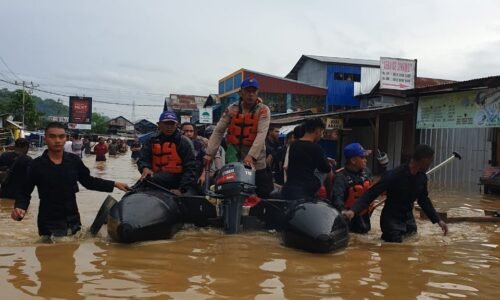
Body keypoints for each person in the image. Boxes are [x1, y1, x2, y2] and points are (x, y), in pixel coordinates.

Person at [10, 122, 129, 237]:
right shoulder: (35, 165)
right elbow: (24, 192)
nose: (57, 140)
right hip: (48, 223)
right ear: (45, 138)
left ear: (66, 138)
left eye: (61, 137)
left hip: (73, 220)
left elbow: (88, 181)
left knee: (72, 251)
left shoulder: (74, 161)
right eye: (52, 137)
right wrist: (20, 207)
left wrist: (114, 184)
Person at [343, 144, 449, 243]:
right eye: (430, 160)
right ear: (423, 160)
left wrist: (438, 220)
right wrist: (353, 210)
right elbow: (371, 193)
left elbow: (423, 200)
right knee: (392, 250)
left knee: (410, 247)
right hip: (391, 221)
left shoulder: (421, 178)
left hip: (409, 221)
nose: (431, 163)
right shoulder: (394, 175)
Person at [204, 78, 273, 198]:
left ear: (257, 93)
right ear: (241, 93)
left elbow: (262, 134)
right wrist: (210, 153)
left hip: (256, 160)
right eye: (247, 91)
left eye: (253, 91)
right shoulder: (231, 109)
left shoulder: (263, 110)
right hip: (234, 156)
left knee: (264, 193)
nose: (250, 94)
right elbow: (219, 131)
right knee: (229, 190)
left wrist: (251, 156)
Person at [137, 111, 198, 194]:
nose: (169, 127)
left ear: (176, 125)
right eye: (166, 124)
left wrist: (181, 189)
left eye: (172, 124)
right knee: (138, 185)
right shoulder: (151, 140)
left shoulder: (184, 142)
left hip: (178, 179)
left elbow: (190, 167)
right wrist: (145, 168)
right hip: (155, 178)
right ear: (159, 124)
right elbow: (143, 159)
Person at [281, 118, 334, 200]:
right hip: (307, 188)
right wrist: (326, 161)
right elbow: (325, 168)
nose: (321, 136)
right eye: (321, 132)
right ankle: (330, 197)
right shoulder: (316, 148)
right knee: (329, 169)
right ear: (317, 130)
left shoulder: (294, 145)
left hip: (289, 186)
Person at [331, 143, 373, 234]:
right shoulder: (341, 177)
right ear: (353, 160)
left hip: (364, 217)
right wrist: (343, 212)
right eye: (362, 158)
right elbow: (337, 198)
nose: (366, 160)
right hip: (349, 219)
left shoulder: (367, 172)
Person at [181, 122, 206, 187]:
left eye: (191, 131)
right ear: (181, 131)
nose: (189, 133)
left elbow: (205, 163)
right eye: (186, 131)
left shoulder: (199, 145)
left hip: (196, 178)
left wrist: (203, 176)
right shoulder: (176, 145)